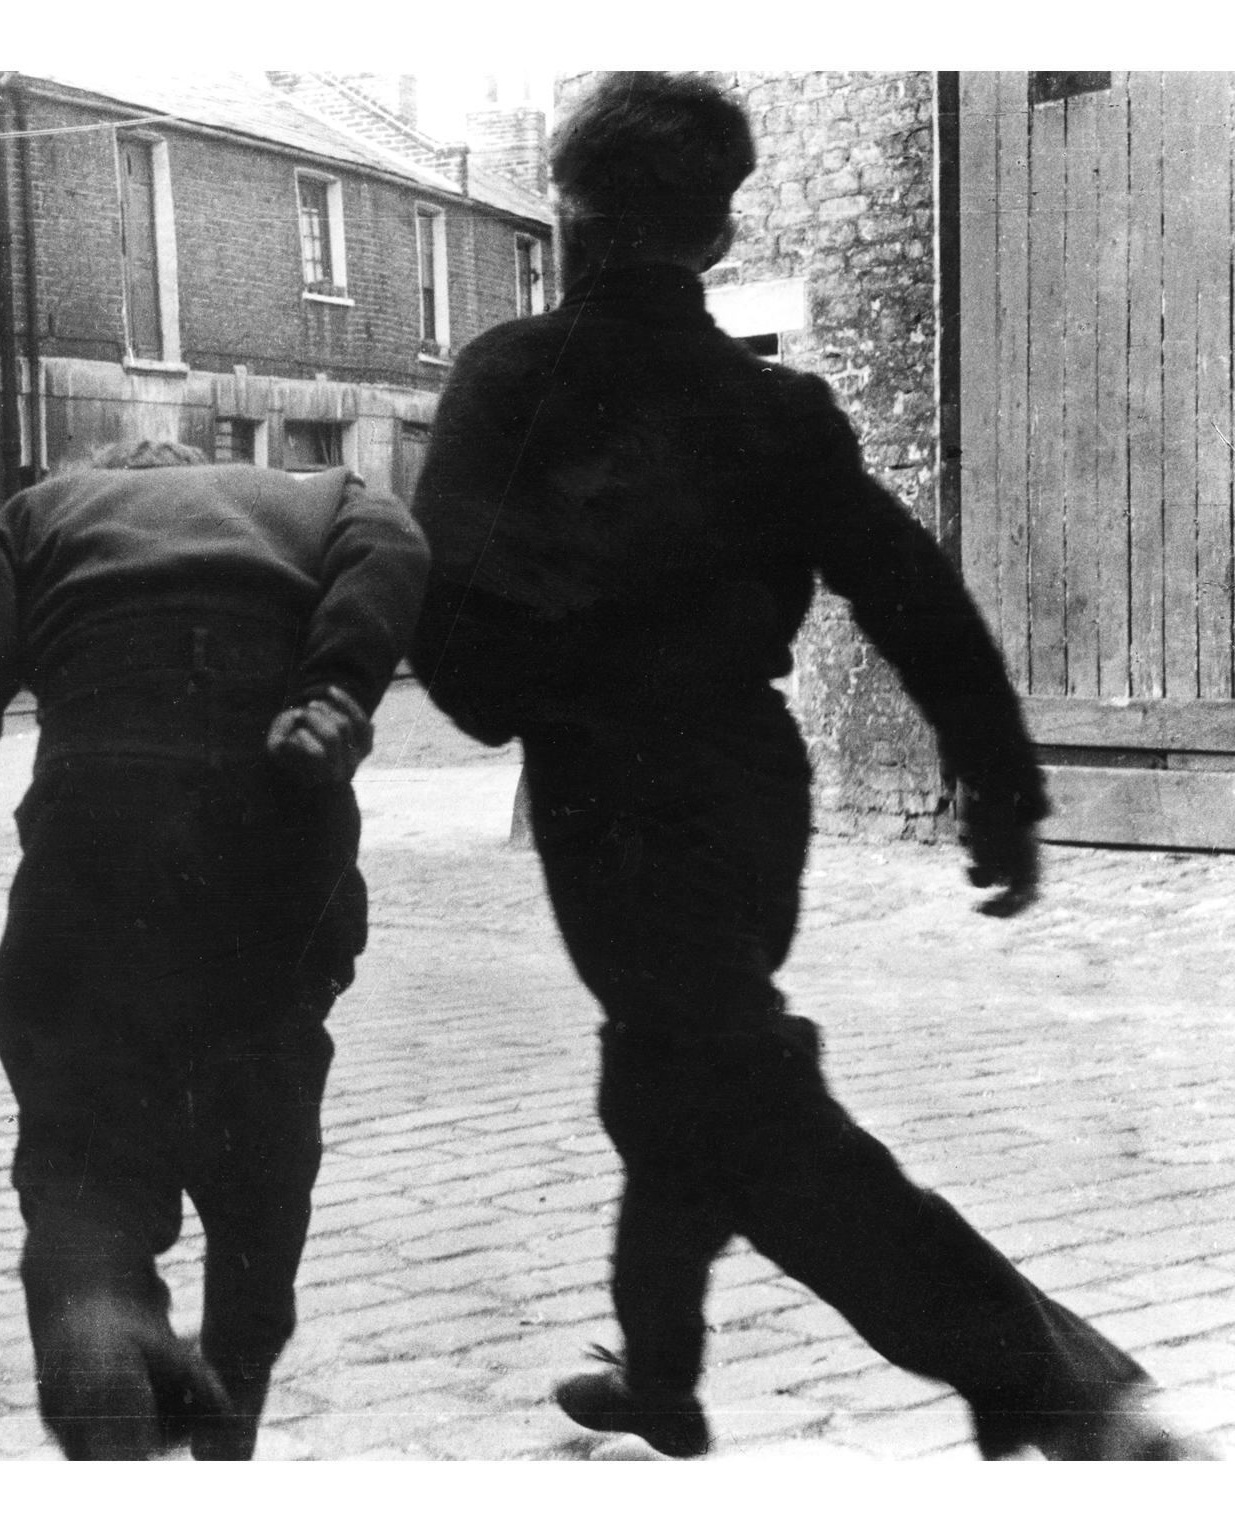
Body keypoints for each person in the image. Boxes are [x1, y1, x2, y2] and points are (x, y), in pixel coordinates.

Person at [409, 72, 1206, 1460]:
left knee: (721, 1094)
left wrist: (520, 690)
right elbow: (910, 591)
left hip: (608, 795)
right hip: (746, 785)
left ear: (567, 218)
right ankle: (661, 1375)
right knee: (682, 1061)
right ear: (716, 238)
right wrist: (1002, 786)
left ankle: (1059, 1383)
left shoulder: (510, 380)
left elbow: (453, 624)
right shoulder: (777, 411)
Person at [0, 440, 428, 1459]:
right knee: (260, 1193)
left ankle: (103, 1325)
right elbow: (395, 539)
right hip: (271, 863)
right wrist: (336, 685)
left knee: (82, 1177)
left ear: (103, 475)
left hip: (91, 867)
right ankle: (227, 1416)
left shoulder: (44, 515)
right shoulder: (321, 499)